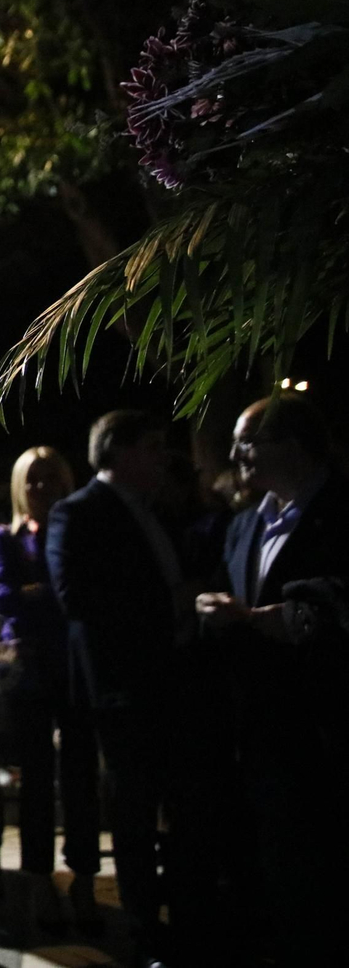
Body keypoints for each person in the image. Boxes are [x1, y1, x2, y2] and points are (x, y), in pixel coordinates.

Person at [194, 392, 345, 962]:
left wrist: (294, 621)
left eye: (247, 442)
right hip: (252, 736)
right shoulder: (242, 525)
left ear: (295, 446)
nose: (235, 455)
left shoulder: (340, 509)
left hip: (324, 733)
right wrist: (217, 611)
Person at [46, 410, 181, 965]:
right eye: (152, 446)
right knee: (132, 810)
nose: (162, 458)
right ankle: (143, 925)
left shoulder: (157, 509)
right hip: (121, 688)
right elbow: (75, 595)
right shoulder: (78, 513)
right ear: (119, 452)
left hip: (170, 682)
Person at [0, 447, 100, 926]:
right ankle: (38, 880)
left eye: (51, 477)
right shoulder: (2, 538)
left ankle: (85, 878)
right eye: (31, 479)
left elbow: (89, 593)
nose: (41, 488)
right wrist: (53, 592)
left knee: (81, 778)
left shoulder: (82, 532)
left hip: (76, 668)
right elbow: (5, 598)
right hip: (29, 674)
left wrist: (40, 593)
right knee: (34, 781)